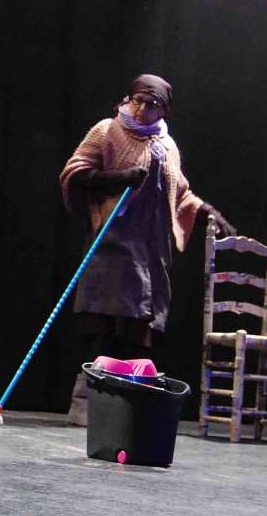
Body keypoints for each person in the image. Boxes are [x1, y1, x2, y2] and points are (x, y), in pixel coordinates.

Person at [58, 74, 236, 426]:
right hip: (113, 247)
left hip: (149, 252)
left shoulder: (166, 145)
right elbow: (74, 173)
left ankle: (125, 409)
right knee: (104, 326)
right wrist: (118, 178)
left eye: (151, 104)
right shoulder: (107, 130)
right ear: (128, 98)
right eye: (137, 100)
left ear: (164, 109)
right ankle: (86, 405)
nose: (142, 109)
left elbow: (180, 193)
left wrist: (207, 211)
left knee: (138, 332)